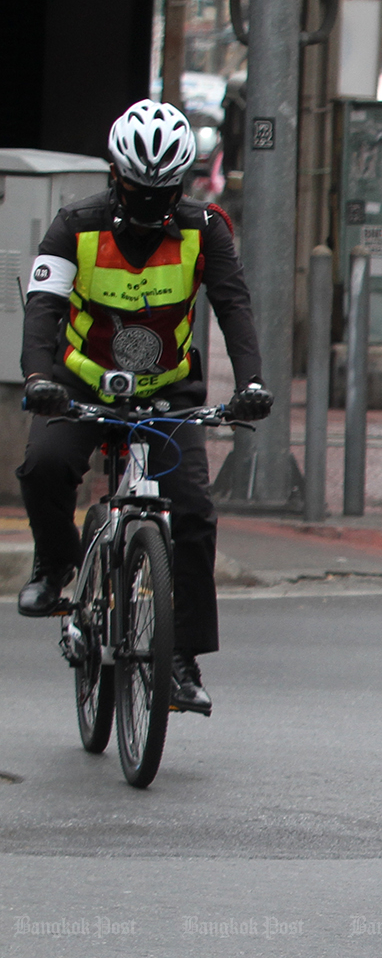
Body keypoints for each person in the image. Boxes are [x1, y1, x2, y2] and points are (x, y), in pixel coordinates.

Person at [15, 99, 272, 714]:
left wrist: (253, 383)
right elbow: (44, 307)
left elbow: (234, 307)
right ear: (116, 177)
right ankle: (55, 565)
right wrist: (38, 377)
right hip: (80, 383)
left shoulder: (206, 229)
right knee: (44, 466)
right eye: (139, 192)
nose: (152, 206)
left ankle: (181, 660)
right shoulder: (73, 225)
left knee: (195, 513)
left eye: (165, 193)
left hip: (166, 390)